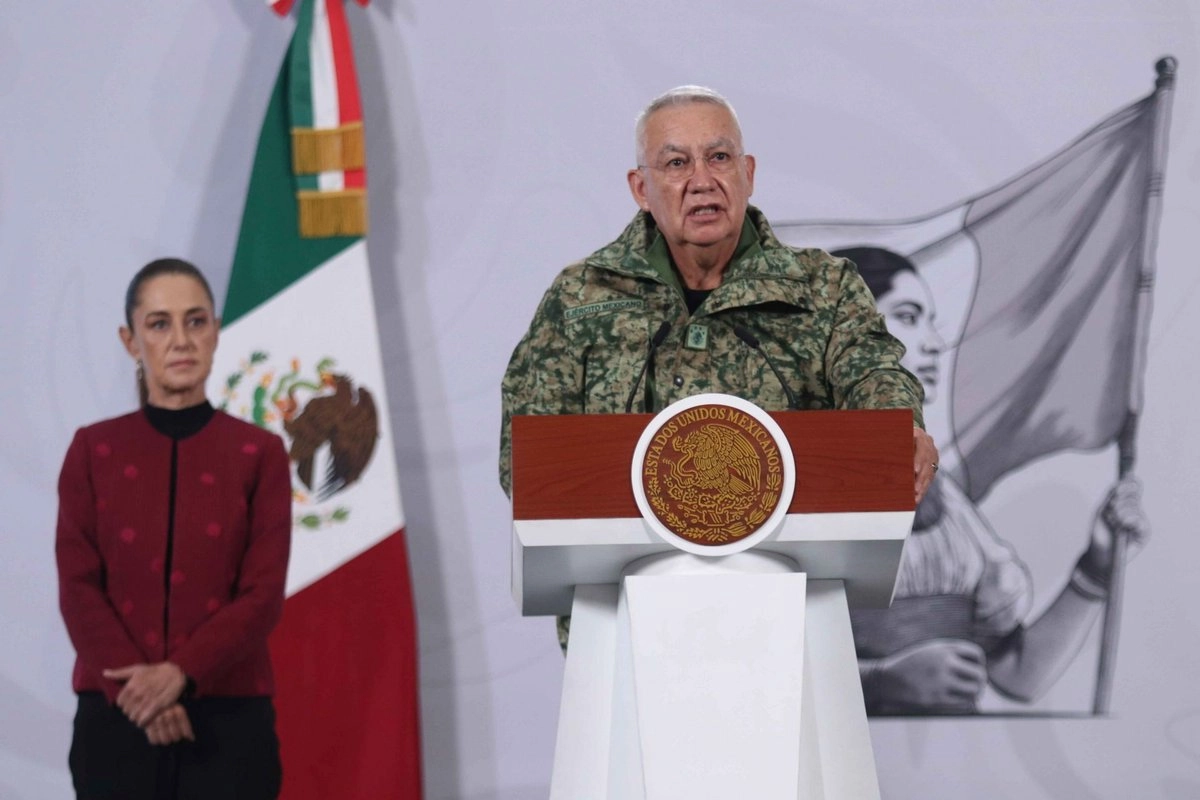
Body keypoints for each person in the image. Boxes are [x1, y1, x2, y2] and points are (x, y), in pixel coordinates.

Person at [500, 86, 938, 647]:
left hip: (790, 618)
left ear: (748, 173)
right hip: (622, 622)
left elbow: (874, 373)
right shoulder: (581, 295)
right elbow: (527, 456)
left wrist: (899, 425)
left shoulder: (823, 286)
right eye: (676, 162)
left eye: (719, 157)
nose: (702, 180)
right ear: (641, 188)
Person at [838, 246, 1150, 714]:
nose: (932, 342)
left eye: (930, 321)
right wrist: (878, 682)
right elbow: (750, 665)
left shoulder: (945, 500)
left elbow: (1018, 675)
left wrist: (1098, 565)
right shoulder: (787, 482)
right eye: (907, 316)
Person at [56, 258, 292, 798]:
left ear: (215, 330)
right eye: (159, 324)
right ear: (131, 340)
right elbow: (78, 586)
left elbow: (261, 595)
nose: (181, 339)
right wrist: (144, 698)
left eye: (196, 320)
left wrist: (180, 676)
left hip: (230, 722)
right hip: (113, 722)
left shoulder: (261, 454)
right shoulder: (93, 450)